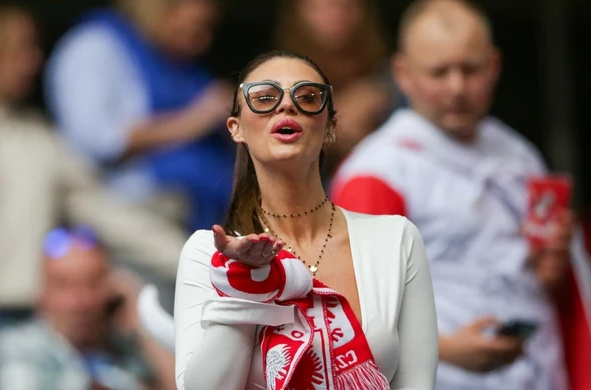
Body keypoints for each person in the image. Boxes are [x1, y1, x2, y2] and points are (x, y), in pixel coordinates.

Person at [331, 0, 591, 389]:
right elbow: (349, 314)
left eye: (470, 69)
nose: (457, 87)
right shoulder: (377, 171)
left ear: (495, 65)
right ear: (402, 74)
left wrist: (552, 268)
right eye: (439, 72)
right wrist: (445, 349)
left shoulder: (518, 155)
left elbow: (556, 285)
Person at [173, 50, 438, 390]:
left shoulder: (397, 240)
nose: (287, 106)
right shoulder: (205, 253)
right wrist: (245, 287)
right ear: (236, 128)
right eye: (265, 98)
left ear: (330, 127)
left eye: (308, 97)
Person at [0, 2, 185, 349]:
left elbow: (111, 216)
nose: (34, 60)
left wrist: (202, 262)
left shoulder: (41, 142)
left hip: (28, 321)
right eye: (21, 49)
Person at [45, 0, 235, 232]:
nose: (204, 41)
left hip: (198, 214)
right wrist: (197, 118)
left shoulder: (178, 65)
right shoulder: (94, 46)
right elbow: (101, 142)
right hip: (127, 215)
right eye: (196, 26)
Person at [0, 227, 175, 390]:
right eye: (64, 285)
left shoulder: (128, 354)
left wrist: (142, 320)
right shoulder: (20, 347)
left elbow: (183, 385)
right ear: (42, 295)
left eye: (92, 283)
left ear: (113, 288)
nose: (81, 302)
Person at [275, 0, 397, 180]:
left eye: (347, 4)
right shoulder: (276, 76)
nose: (336, 13)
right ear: (298, 11)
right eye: (322, 5)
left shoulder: (389, 78)